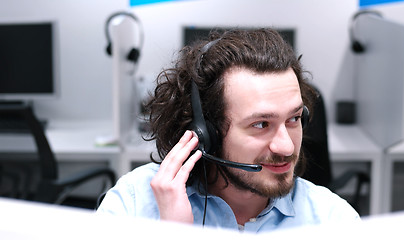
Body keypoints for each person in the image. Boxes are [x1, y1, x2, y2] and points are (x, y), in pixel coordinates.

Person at [97, 28, 360, 232]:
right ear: (206, 133)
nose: (287, 147)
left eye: (293, 119)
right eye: (261, 124)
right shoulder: (135, 204)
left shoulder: (332, 220)